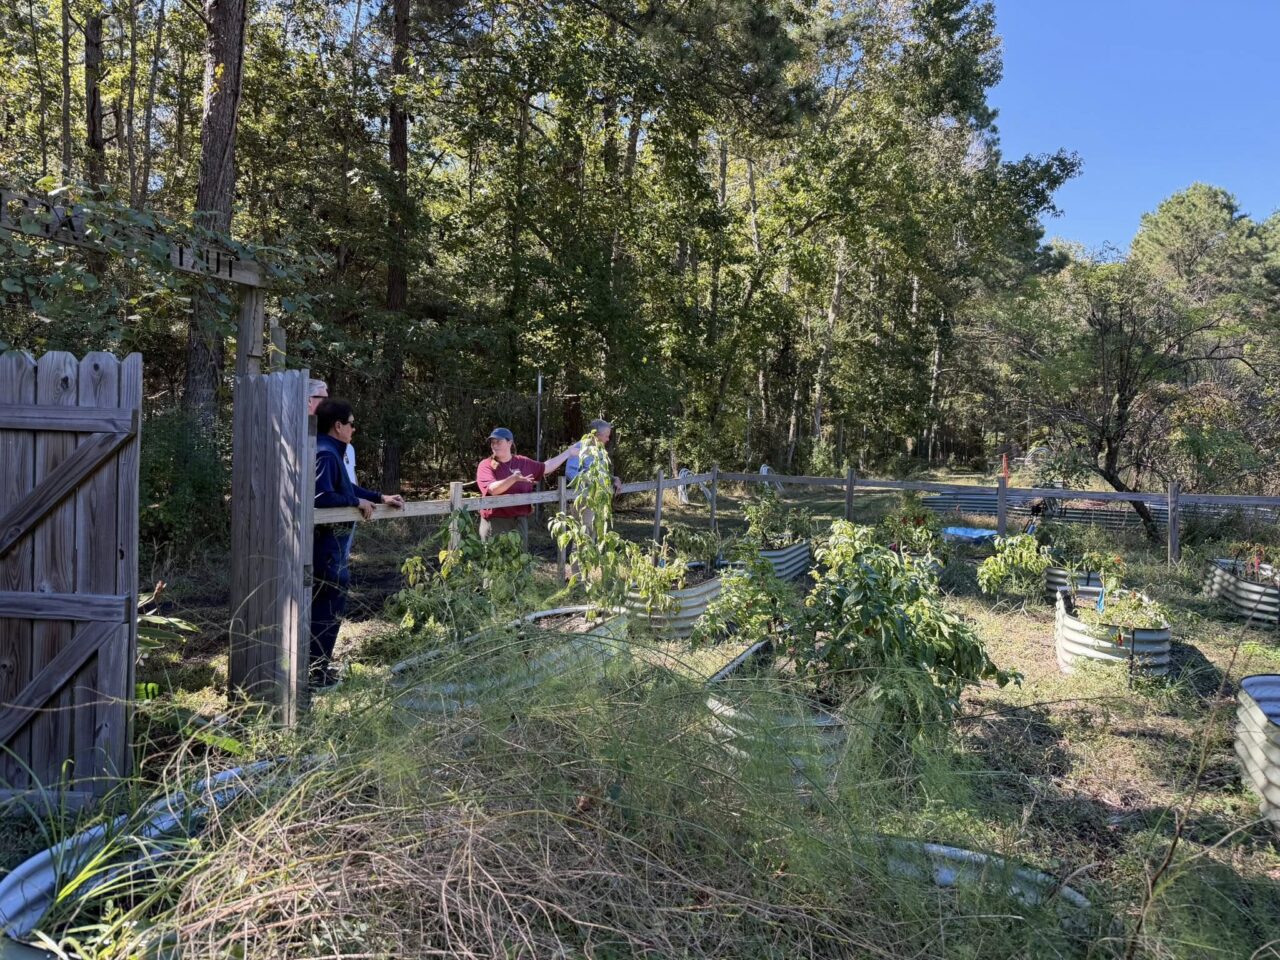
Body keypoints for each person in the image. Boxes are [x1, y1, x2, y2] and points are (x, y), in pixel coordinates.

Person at [311, 399, 404, 687]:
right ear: (338, 426)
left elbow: (344, 486)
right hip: (327, 547)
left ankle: (317, 669)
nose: (354, 429)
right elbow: (322, 496)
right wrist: (355, 502)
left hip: (331, 547)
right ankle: (316, 674)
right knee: (327, 609)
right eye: (351, 424)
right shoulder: (326, 454)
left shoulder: (329, 451)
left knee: (327, 607)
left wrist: (378, 497)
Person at [475, 427, 578, 548]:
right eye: (492, 442)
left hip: (519, 521)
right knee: (494, 558)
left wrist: (568, 453)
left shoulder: (522, 462)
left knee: (520, 558)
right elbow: (492, 489)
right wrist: (513, 479)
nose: (495, 445)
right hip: (495, 522)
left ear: (510, 443)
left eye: (498, 442)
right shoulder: (486, 465)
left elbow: (546, 467)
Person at [308, 378, 355, 482]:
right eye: (324, 399)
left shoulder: (345, 446)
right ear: (309, 401)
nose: (327, 404)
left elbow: (346, 483)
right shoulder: (325, 452)